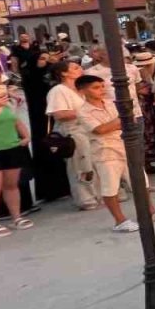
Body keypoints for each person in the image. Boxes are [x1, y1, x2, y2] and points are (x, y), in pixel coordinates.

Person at [77, 75, 155, 232]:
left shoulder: (109, 102)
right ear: (82, 90)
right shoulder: (83, 111)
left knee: (141, 182)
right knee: (111, 188)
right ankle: (119, 220)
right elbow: (100, 129)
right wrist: (118, 122)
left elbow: (130, 120)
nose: (101, 90)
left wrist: (117, 123)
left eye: (102, 86)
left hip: (124, 147)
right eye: (95, 87)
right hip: (105, 152)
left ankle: (151, 212)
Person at [0, 74, 34, 237]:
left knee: (11, 185)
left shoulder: (4, 103)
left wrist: (26, 136)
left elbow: (15, 120)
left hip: (11, 147)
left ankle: (17, 217)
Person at [46, 60, 96, 210]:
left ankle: (98, 194)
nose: (80, 69)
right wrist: (85, 112)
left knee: (92, 163)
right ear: (64, 73)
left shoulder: (81, 88)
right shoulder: (58, 90)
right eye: (75, 68)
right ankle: (85, 199)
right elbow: (59, 113)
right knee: (79, 165)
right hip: (73, 131)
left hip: (89, 130)